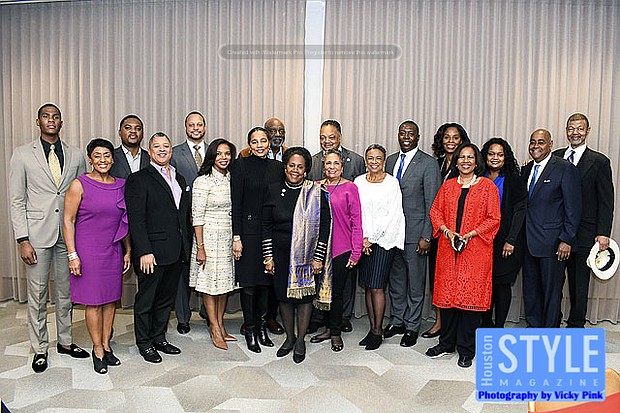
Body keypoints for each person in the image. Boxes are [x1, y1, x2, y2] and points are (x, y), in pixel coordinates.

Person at [9, 103, 89, 373]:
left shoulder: (76, 155)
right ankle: (40, 348)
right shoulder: (22, 155)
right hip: (36, 236)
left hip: (67, 236)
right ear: (38, 121)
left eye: (55, 117)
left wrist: (80, 238)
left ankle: (65, 342)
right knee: (38, 294)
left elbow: (82, 197)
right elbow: (17, 200)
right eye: (46, 116)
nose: (51, 120)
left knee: (66, 293)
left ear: (61, 122)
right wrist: (22, 239)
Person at [427, 143, 500, 368]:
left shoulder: (487, 187)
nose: (465, 161)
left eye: (470, 157)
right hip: (448, 249)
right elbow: (435, 211)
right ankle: (446, 343)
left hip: (476, 250)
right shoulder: (448, 186)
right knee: (448, 298)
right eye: (461, 157)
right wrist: (447, 232)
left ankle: (466, 349)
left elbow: (494, 218)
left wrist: (471, 234)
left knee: (470, 301)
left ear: (476, 162)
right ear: (456, 161)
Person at [63, 138, 130, 373]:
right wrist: (72, 255)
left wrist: (128, 250)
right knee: (93, 302)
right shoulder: (79, 184)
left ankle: (107, 344)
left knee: (110, 300)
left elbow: (124, 220)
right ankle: (97, 349)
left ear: (113, 159)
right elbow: (68, 220)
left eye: (107, 155)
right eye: (97, 156)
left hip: (113, 250)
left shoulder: (121, 185)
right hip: (88, 251)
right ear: (90, 159)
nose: (103, 160)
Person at [125, 132, 192, 363]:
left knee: (165, 300)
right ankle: (144, 343)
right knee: (147, 301)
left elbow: (182, 216)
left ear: (171, 150)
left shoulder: (179, 178)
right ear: (150, 151)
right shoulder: (138, 179)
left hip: (176, 251)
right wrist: (144, 251)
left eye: (166, 146)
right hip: (151, 253)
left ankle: (159, 337)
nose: (162, 150)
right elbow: (136, 220)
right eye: (157, 146)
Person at [262, 147, 332, 363]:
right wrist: (268, 256)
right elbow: (266, 225)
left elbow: (325, 226)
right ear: (285, 167)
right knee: (283, 296)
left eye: (300, 167)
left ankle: (300, 339)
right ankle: (290, 337)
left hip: (307, 256)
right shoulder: (273, 190)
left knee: (304, 298)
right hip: (280, 253)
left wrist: (318, 257)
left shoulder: (316, 192)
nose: (295, 170)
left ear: (306, 170)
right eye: (291, 165)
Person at [383, 121, 441, 347]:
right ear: (398, 135)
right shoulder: (390, 161)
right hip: (392, 234)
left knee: (415, 284)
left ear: (418, 137)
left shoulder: (428, 163)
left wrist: (427, 236)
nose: (406, 137)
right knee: (396, 281)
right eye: (402, 133)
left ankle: (412, 326)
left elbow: (433, 203)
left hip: (416, 234)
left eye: (411, 133)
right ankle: (397, 321)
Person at [553, 113, 614, 328]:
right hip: (556, 231)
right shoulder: (555, 157)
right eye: (571, 128)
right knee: (554, 282)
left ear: (588, 131)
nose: (575, 133)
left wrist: (603, 233)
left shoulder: (599, 161)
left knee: (579, 283)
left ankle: (576, 325)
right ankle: (552, 322)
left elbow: (606, 201)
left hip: (585, 233)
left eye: (580, 128)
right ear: (566, 131)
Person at [307, 120, 365, 334]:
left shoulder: (351, 185)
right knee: (318, 284)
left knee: (339, 288)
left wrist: (356, 251)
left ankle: (337, 325)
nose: (331, 167)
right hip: (319, 246)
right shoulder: (316, 184)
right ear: (323, 166)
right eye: (328, 164)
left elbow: (357, 221)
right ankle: (321, 320)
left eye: (336, 164)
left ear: (342, 166)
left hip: (342, 246)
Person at [230, 127, 283, 353]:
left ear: (269, 143)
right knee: (250, 285)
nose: (260, 145)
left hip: (270, 231)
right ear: (249, 145)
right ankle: (250, 330)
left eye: (263, 141)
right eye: (255, 141)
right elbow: (236, 204)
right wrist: (237, 237)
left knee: (266, 284)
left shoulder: (278, 167)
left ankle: (262, 328)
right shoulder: (240, 165)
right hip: (248, 232)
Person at [522, 129, 581, 328]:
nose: (535, 146)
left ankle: (549, 331)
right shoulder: (527, 169)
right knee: (531, 289)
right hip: (528, 240)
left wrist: (567, 239)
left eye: (541, 142)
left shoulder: (565, 168)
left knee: (551, 292)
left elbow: (573, 208)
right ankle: (534, 326)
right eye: (532, 142)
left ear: (551, 144)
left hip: (554, 243)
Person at [354, 144, 405, 351]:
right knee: (367, 285)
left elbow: (393, 215)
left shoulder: (392, 183)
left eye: (378, 158)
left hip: (384, 242)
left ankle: (378, 331)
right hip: (363, 241)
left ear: (384, 161)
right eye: (370, 158)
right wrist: (363, 238)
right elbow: (357, 212)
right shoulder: (359, 182)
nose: (374, 162)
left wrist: (373, 239)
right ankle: (372, 328)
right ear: (366, 161)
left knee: (377, 287)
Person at [189, 138, 237, 350]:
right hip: (207, 239)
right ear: (212, 156)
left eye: (227, 153)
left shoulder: (232, 178)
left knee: (224, 285)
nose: (223, 157)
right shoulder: (203, 181)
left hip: (227, 238)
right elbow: (197, 217)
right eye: (219, 154)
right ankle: (214, 327)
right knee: (210, 285)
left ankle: (221, 324)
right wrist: (201, 248)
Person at [425, 123, 471, 338]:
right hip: (439, 230)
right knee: (439, 279)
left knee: (460, 279)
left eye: (455, 137)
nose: (451, 141)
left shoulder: (467, 165)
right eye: (447, 137)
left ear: (462, 140)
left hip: (461, 234)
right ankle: (439, 321)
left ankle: (457, 325)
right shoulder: (437, 163)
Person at [480, 138, 527, 328]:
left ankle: (498, 326)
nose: (495, 158)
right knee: (484, 283)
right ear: (485, 156)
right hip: (482, 240)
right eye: (491, 154)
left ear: (505, 157)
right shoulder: (478, 176)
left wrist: (511, 240)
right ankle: (485, 323)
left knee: (501, 284)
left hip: (505, 241)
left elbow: (520, 211)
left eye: (500, 154)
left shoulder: (514, 179)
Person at [171, 111, 208, 335]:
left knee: (207, 266)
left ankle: (207, 311)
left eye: (199, 124)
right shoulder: (174, 153)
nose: (195, 128)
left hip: (209, 221)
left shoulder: (214, 151)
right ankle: (183, 317)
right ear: (185, 128)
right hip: (184, 220)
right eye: (191, 125)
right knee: (183, 269)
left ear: (204, 127)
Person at [109, 114, 150, 179]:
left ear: (142, 134)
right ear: (120, 132)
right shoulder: (110, 156)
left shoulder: (151, 157)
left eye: (138, 128)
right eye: (128, 128)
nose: (133, 131)